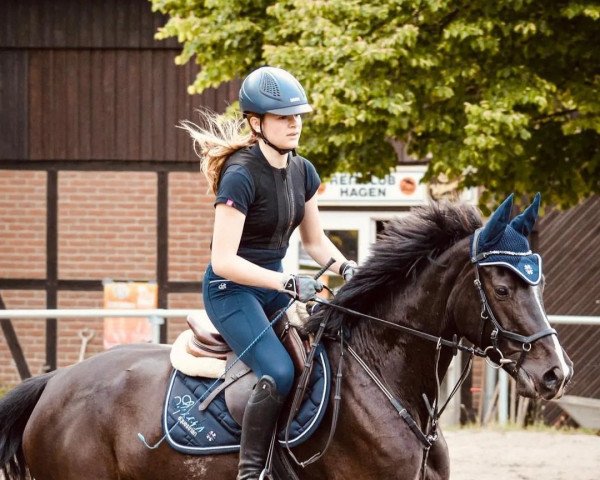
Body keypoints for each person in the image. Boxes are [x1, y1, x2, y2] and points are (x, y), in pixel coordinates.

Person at [181, 66, 357, 480]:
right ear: (256, 123)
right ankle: (252, 471)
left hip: (274, 285)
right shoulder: (240, 175)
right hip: (231, 291)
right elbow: (223, 260)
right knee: (278, 371)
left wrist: (350, 267)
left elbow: (315, 243)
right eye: (283, 117)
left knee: (325, 352)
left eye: (297, 116)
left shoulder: (303, 170)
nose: (294, 124)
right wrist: (285, 281)